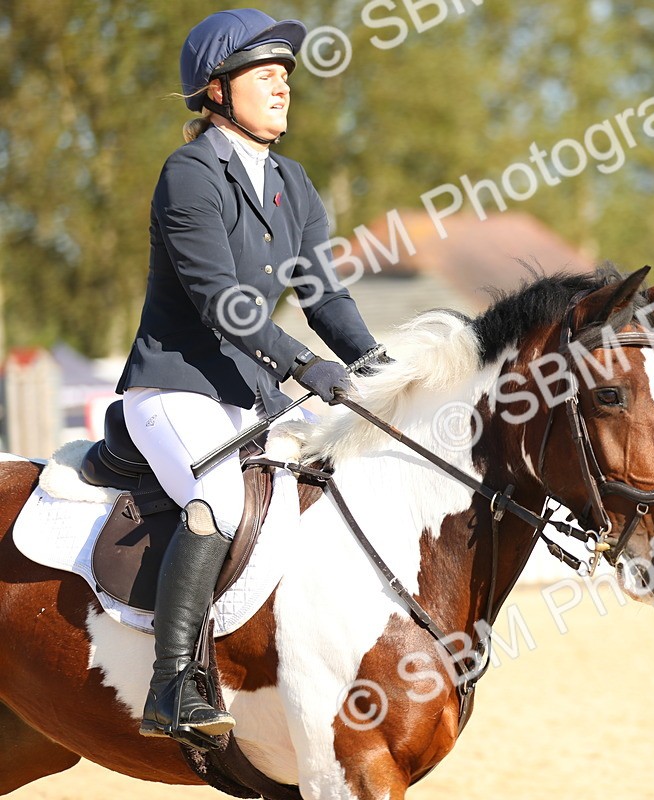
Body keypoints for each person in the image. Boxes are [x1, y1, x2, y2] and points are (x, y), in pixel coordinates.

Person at [115, 9, 385, 744]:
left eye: (286, 75)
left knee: (331, 481)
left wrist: (375, 365)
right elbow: (221, 301)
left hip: (250, 394)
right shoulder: (189, 174)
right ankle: (172, 685)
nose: (283, 86)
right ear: (217, 90)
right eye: (266, 74)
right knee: (223, 500)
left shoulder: (292, 182)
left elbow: (323, 295)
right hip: (175, 387)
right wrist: (303, 363)